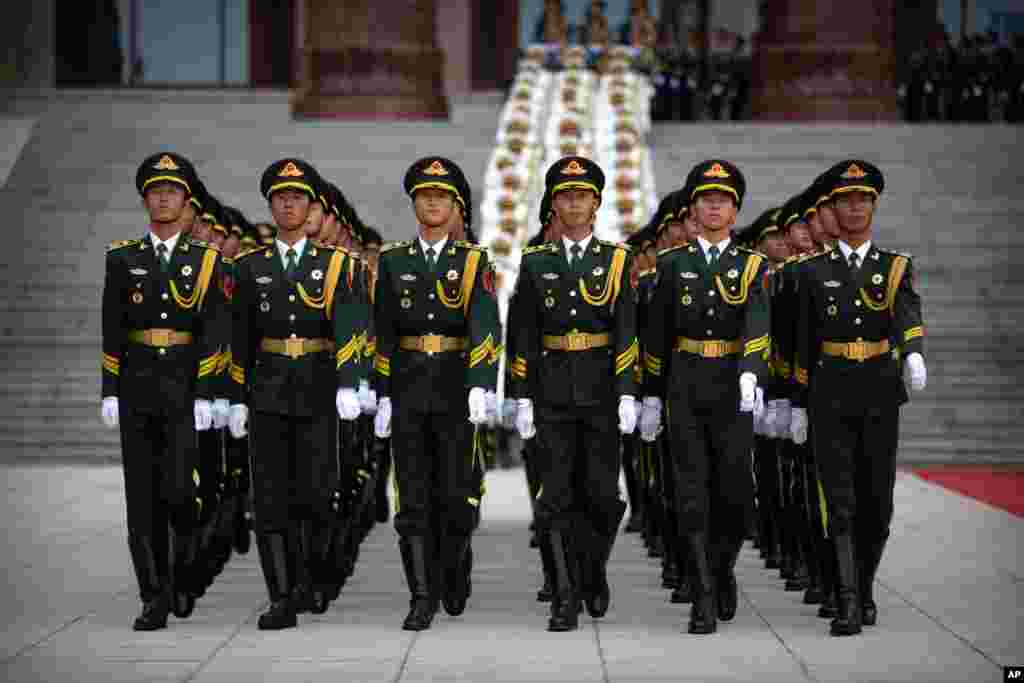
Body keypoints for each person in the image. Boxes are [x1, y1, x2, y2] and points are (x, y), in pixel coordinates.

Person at [227, 158, 366, 630]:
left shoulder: (337, 265)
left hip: (318, 389)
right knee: (269, 500)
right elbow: (238, 336)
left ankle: (310, 578)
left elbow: (351, 328)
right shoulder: (249, 267)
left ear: (310, 209)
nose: (289, 204)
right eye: (280, 198)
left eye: (297, 198)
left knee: (317, 494)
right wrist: (234, 396)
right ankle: (280, 596)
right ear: (270, 205)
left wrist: (351, 384)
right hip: (266, 391)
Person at [791, 160, 926, 636]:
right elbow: (800, 339)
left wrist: (913, 353)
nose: (854, 207)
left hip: (879, 391)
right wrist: (796, 403)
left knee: (878, 506)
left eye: (862, 199)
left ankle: (863, 587)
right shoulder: (811, 271)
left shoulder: (894, 267)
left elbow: (907, 312)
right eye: (845, 200)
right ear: (832, 208)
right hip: (830, 391)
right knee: (841, 502)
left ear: (873, 205)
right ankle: (848, 600)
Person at [640, 160, 770, 635]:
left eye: (724, 200)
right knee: (690, 493)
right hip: (686, 383)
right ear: (693, 211)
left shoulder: (752, 265)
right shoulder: (672, 265)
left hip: (734, 386)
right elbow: (656, 337)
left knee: (735, 493)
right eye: (706, 200)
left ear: (735, 211)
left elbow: (759, 321)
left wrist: (753, 373)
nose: (714, 207)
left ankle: (722, 567)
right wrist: (651, 396)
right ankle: (703, 594)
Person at [510, 156, 638, 632]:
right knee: (556, 496)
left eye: (581, 195)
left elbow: (628, 330)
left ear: (596, 203)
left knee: (604, 498)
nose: (573, 203)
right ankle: (565, 596)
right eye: (565, 196)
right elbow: (522, 331)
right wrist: (520, 394)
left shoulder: (617, 260)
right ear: (554, 205)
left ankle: (592, 570)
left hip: (603, 389)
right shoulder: (536, 261)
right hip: (553, 391)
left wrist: (629, 392)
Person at [372, 157, 499, 631]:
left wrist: (481, 383)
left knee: (456, 493)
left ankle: (456, 563)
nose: (432, 202)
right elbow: (381, 330)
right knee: (413, 494)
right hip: (407, 388)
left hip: (454, 389)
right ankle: (421, 596)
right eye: (424, 195)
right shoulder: (393, 259)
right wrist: (381, 392)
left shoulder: (472, 261)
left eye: (441, 196)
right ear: (413, 203)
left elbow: (486, 322)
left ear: (456, 205)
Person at [101, 152, 227, 630]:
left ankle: (182, 575)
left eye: (172, 191)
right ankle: (153, 594)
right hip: (136, 386)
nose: (163, 197)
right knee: (142, 496)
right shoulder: (122, 258)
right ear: (145, 199)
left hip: (184, 387)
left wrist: (208, 392)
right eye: (155, 191)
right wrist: (109, 387)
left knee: (179, 493)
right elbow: (112, 326)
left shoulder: (208, 261)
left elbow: (215, 331)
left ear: (186, 200)